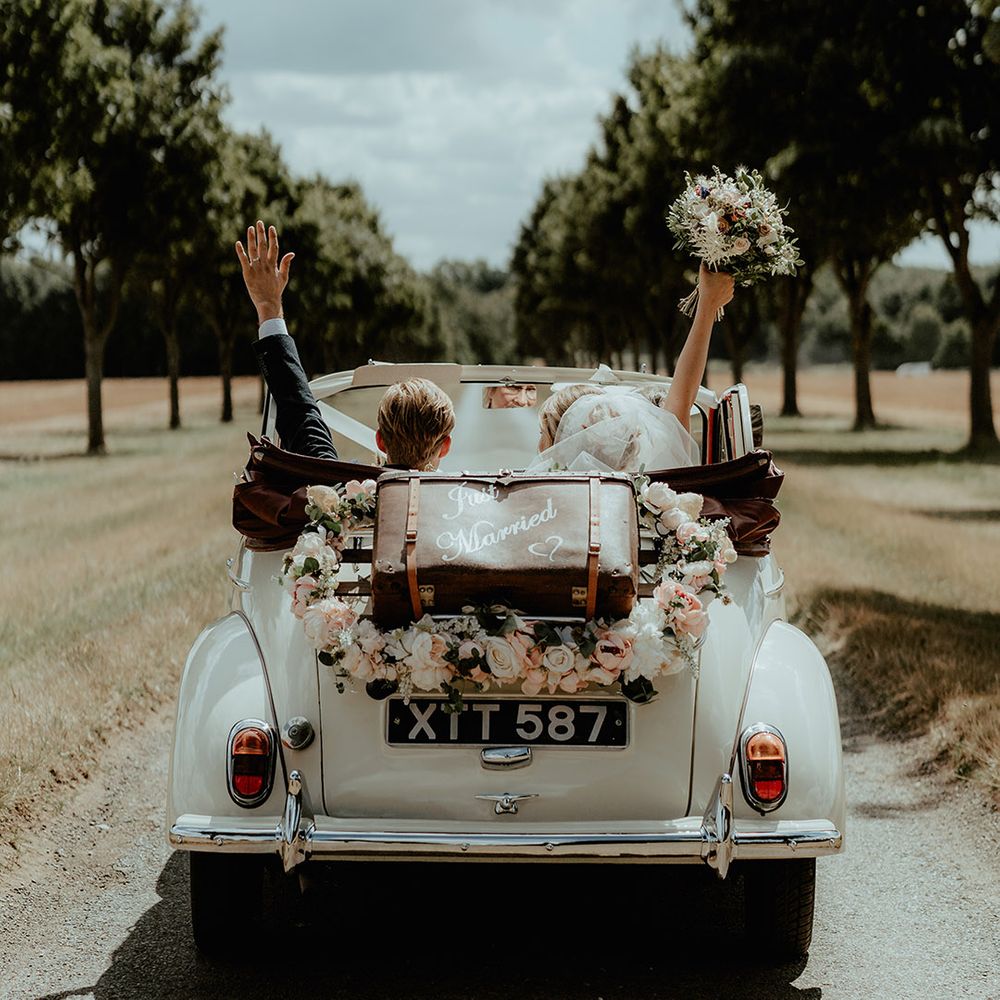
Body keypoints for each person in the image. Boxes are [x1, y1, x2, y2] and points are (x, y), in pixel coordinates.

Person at [235, 221, 454, 471]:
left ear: (380, 440)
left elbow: (298, 409)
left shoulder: (337, 496)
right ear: (445, 446)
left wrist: (268, 305)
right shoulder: (476, 508)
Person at [532, 264, 734, 472]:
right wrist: (707, 306)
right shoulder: (657, 484)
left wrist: (707, 306)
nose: (539, 446)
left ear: (565, 440)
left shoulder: (538, 497)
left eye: (542, 434)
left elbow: (683, 397)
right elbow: (683, 396)